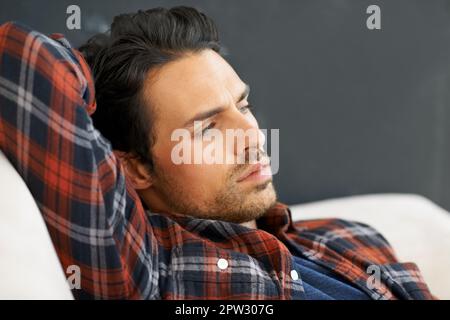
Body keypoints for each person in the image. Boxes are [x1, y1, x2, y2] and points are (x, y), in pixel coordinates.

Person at [0, 6, 434, 299]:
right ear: (134, 167)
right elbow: (24, 62)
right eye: (207, 128)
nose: (251, 134)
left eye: (243, 105)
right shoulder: (150, 267)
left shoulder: (347, 236)